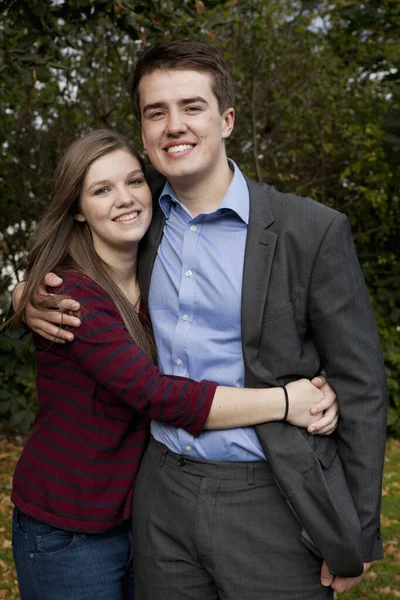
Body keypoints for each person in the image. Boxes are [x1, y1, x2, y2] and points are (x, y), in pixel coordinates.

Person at [13, 40, 387, 599]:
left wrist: (356, 533)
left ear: (227, 119)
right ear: (143, 133)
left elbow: (362, 386)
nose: (174, 126)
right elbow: (75, 267)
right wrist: (24, 295)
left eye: (191, 107)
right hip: (158, 495)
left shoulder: (308, 230)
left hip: (270, 495)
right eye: (156, 112)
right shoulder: (141, 224)